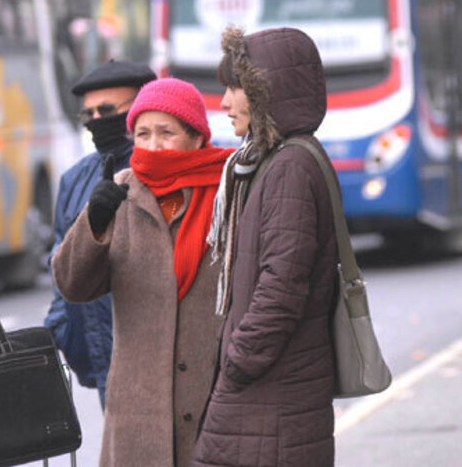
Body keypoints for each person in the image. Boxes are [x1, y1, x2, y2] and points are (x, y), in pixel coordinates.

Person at [52, 77, 235, 466]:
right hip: (138, 414)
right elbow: (71, 284)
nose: (152, 146)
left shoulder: (230, 192)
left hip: (214, 401)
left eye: (166, 133)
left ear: (197, 137)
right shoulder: (121, 191)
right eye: (142, 133)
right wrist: (94, 223)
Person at [192, 27, 338, 466]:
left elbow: (282, 284)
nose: (224, 102)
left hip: (270, 395)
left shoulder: (289, 167)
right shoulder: (273, 161)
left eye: (235, 87)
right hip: (270, 393)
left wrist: (238, 360)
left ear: (267, 90)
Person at [43, 60, 156, 408]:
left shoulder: (159, 169)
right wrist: (62, 332)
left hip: (160, 361)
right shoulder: (75, 179)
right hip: (106, 364)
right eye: (87, 114)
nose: (96, 121)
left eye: (106, 110)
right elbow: (60, 264)